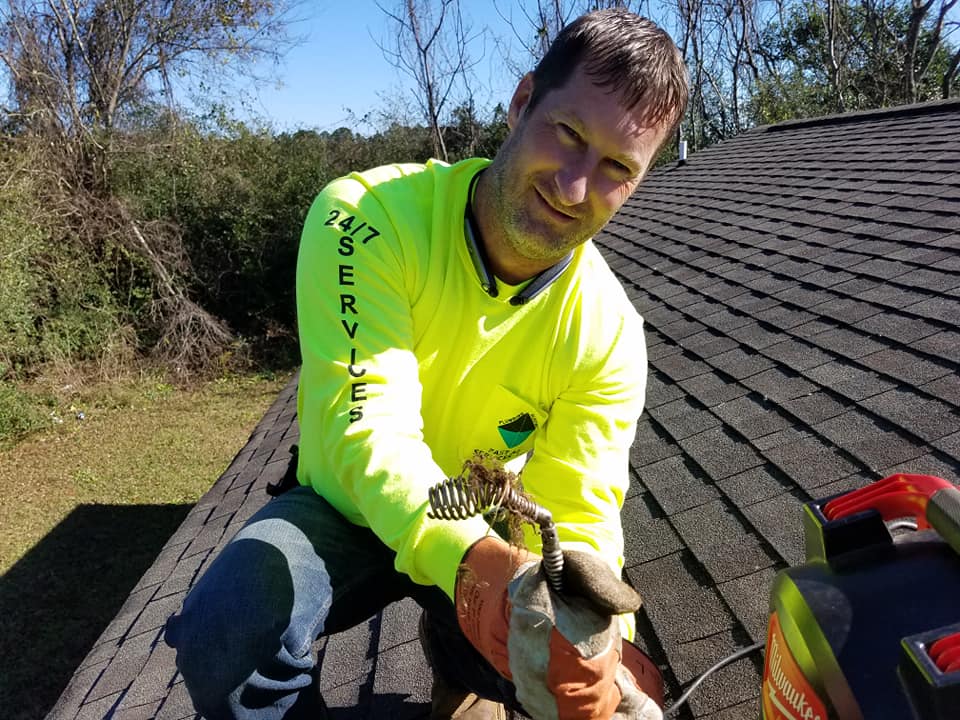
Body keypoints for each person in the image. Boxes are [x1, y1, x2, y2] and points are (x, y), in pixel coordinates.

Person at [164, 8, 688, 720]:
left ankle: (462, 667)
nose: (573, 187)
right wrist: (471, 570)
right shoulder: (365, 217)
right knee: (226, 626)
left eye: (616, 169)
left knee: (572, 681)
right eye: (568, 135)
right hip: (345, 508)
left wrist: (599, 643)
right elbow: (368, 430)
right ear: (521, 101)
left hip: (485, 525)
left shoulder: (609, 332)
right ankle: (458, 625)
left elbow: (580, 509)